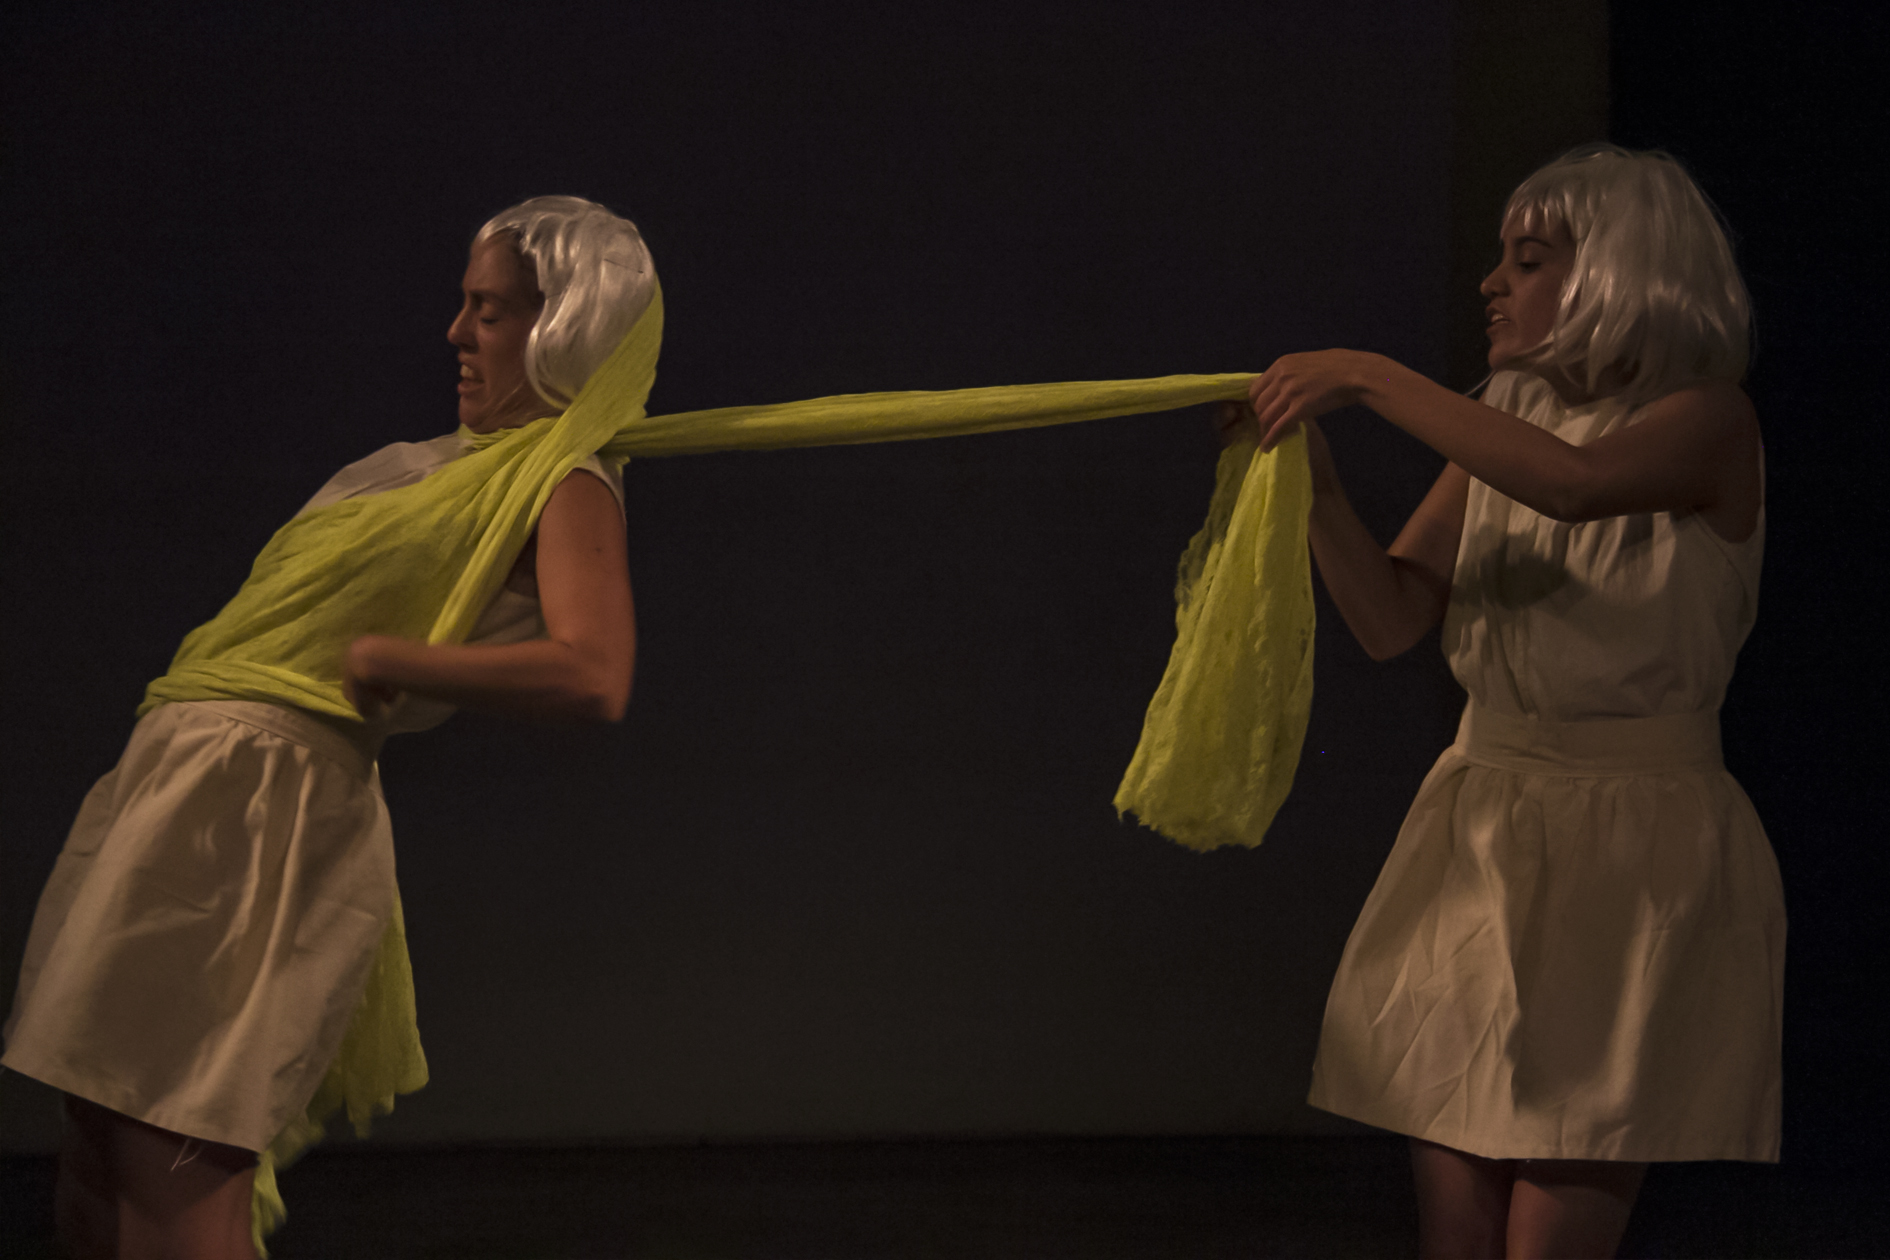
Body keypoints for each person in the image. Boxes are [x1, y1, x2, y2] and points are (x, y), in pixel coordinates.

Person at [2, 196, 649, 1258]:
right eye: (466, 304)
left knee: (173, 1158)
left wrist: (397, 660)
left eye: (489, 312)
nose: (456, 332)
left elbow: (595, 673)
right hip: (184, 783)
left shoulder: (564, 479)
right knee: (101, 1142)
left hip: (262, 814)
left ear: (565, 329)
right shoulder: (435, 462)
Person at [1230, 145, 1781, 1258]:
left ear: (1621, 276)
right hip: (1482, 826)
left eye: (1527, 262)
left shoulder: (1708, 420)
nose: (1491, 284)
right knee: (1458, 1232)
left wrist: (1369, 376)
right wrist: (1318, 489)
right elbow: (1392, 617)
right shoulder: (1511, 416)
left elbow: (1573, 487)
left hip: (1628, 846)